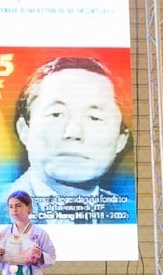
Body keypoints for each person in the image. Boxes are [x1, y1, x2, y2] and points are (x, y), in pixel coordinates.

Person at [8, 55, 130, 200]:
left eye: (94, 117)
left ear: (121, 140)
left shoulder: (129, 212)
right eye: (56, 114)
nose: (73, 133)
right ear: (24, 130)